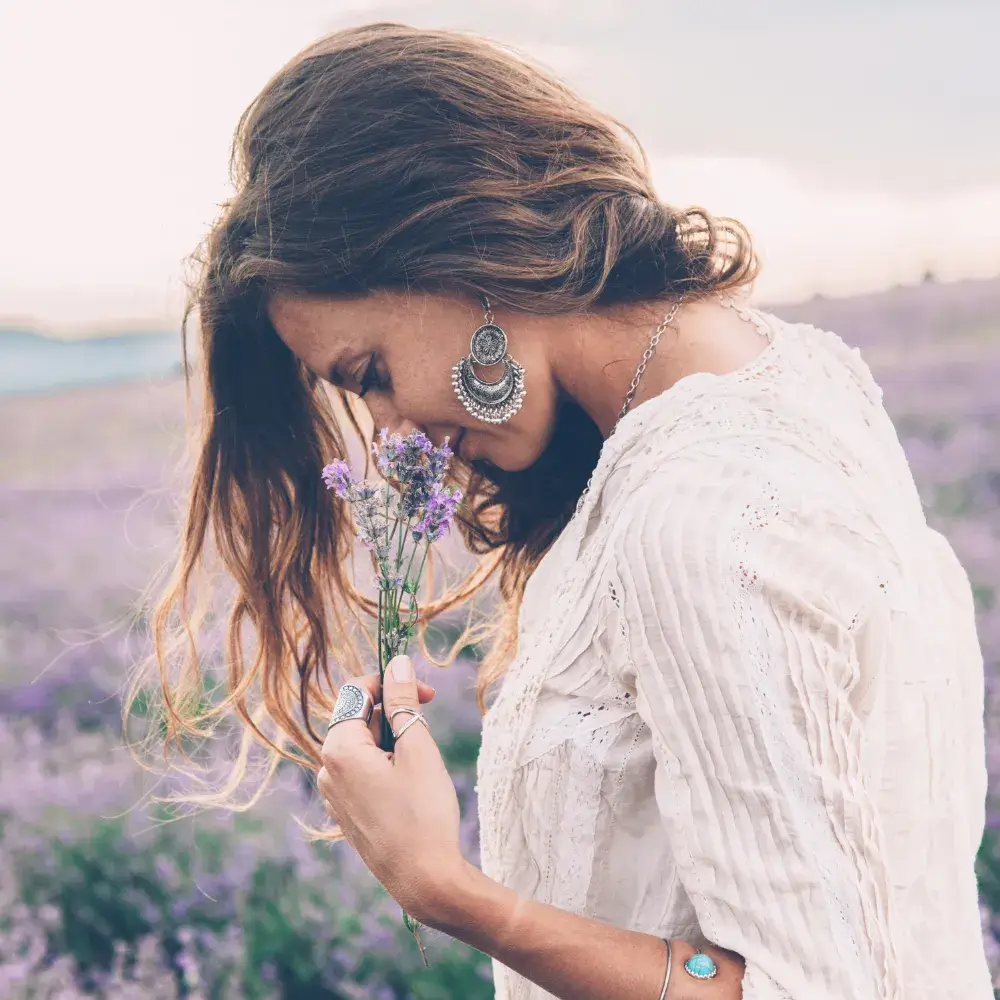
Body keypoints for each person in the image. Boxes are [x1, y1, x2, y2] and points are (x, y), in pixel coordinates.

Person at [139, 21, 994, 1000]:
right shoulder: (795, 376)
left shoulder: (695, 516)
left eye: (370, 373)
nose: (388, 429)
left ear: (457, 248)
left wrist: (446, 887)